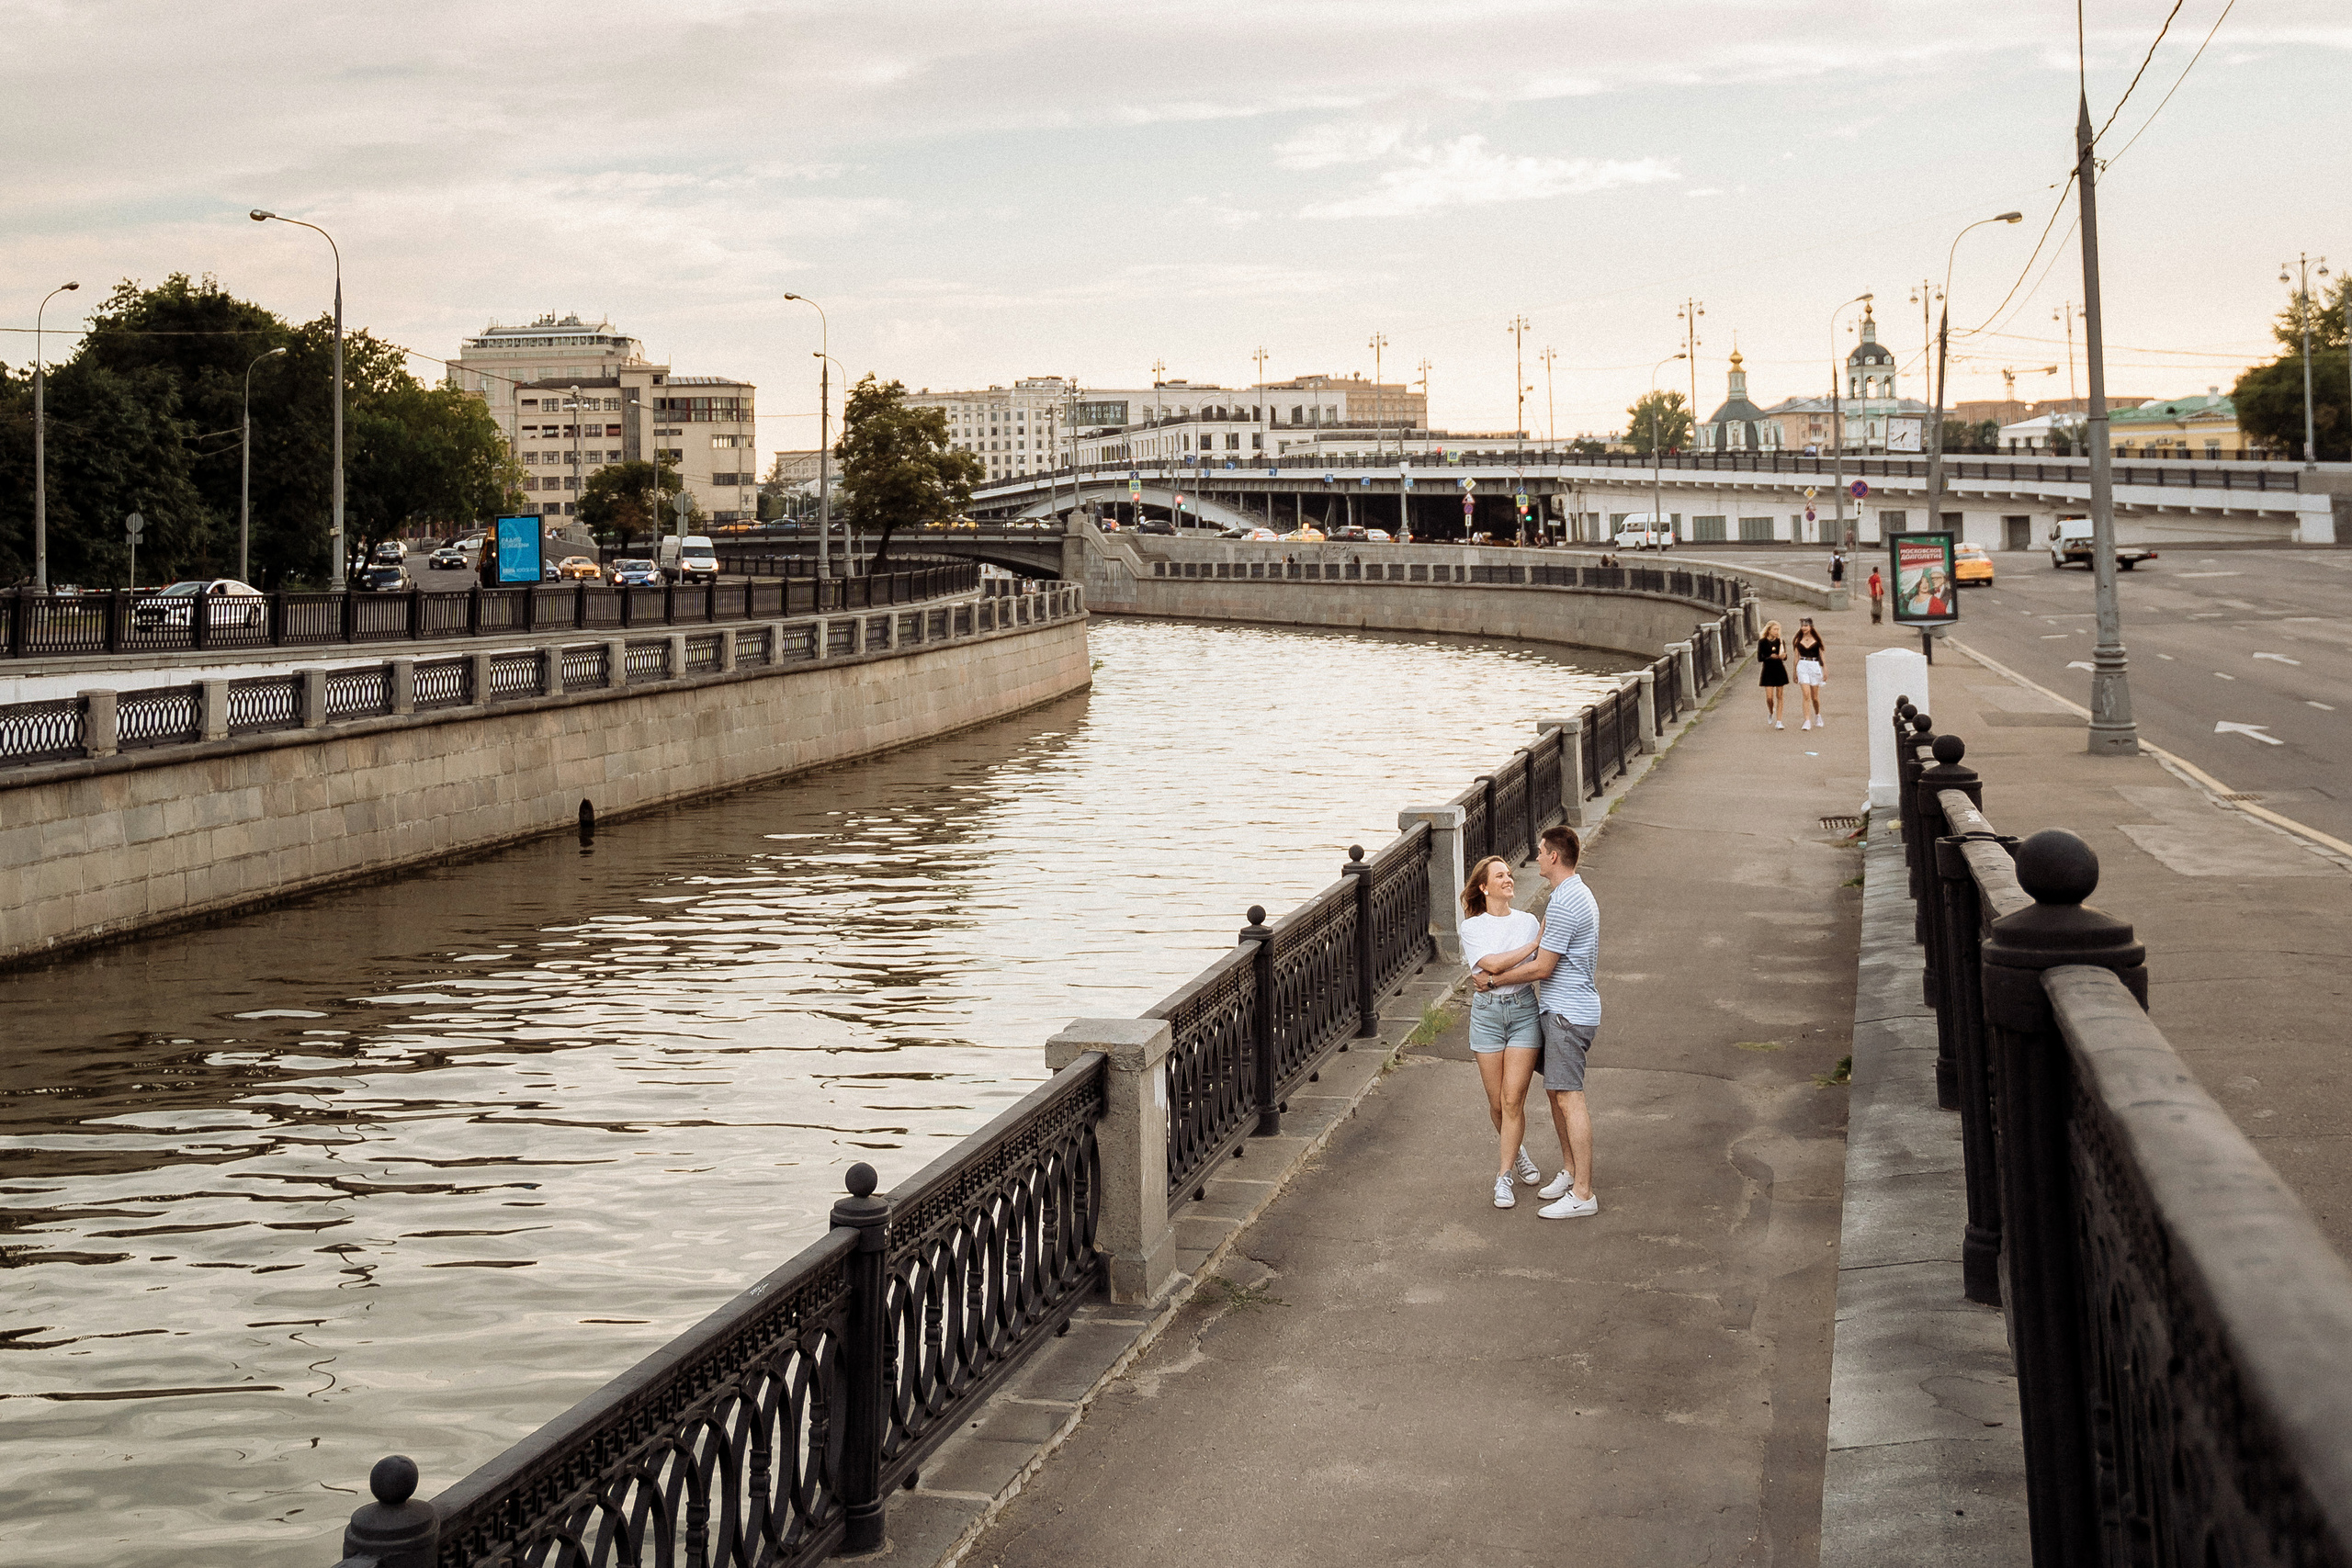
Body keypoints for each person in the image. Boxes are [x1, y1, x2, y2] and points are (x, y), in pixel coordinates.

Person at [1471, 825, 1600, 1218]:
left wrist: (1493, 981)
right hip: (1563, 1011)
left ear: (1554, 857)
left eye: (1541, 851)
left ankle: (1583, 1194)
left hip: (1567, 1014)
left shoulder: (1564, 902)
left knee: (1569, 1097)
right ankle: (1570, 1171)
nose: (1537, 856)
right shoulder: (1571, 893)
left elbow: (1543, 967)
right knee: (1556, 1093)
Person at [1459, 855, 1546, 1209]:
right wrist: (1533, 945)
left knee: (1513, 1100)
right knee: (1497, 1104)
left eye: (1510, 874)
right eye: (1500, 876)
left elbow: (1520, 972)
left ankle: (1504, 1176)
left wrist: (1496, 977)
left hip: (1523, 1012)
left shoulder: (1527, 921)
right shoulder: (1472, 927)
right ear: (1484, 887)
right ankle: (1518, 1152)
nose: (1509, 879)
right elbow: (1491, 963)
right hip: (1487, 1017)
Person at [1792, 616, 1827, 730]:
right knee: (1806, 694)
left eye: (1806, 626)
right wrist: (1794, 672)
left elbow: (1821, 655)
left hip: (1814, 665)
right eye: (1802, 626)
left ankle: (1817, 715)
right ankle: (1807, 720)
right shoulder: (1798, 640)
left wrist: (1825, 669)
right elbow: (1796, 657)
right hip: (1802, 665)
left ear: (1811, 627)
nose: (1804, 628)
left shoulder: (1817, 640)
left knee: (1814, 697)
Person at [1757, 620, 1790, 728]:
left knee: (1779, 695)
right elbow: (1760, 658)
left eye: (1778, 629)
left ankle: (1779, 721)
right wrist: (1769, 657)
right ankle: (1771, 711)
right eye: (1775, 629)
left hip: (1779, 669)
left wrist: (1783, 656)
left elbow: (1785, 656)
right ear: (1769, 630)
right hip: (1768, 670)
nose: (1776, 631)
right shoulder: (1762, 642)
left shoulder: (1780, 641)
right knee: (1769, 697)